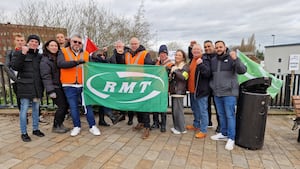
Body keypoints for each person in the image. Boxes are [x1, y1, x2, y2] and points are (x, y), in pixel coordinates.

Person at [57, 34, 101, 137]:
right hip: (69, 84)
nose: (77, 44)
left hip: (83, 84)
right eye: (75, 41)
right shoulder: (63, 51)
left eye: (79, 42)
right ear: (71, 42)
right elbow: (61, 64)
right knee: (73, 107)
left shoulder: (86, 54)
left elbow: (92, 67)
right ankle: (77, 126)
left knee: (87, 106)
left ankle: (92, 126)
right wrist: (77, 62)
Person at [210, 40, 247, 151]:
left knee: (230, 115)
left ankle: (231, 138)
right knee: (221, 115)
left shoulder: (231, 58)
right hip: (217, 93)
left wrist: (236, 59)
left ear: (225, 47)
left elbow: (242, 70)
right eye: (216, 47)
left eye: (220, 47)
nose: (218, 49)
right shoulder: (213, 60)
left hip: (229, 93)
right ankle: (224, 133)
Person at [11, 34, 45, 142]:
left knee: (36, 108)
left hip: (36, 88)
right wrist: (23, 54)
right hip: (25, 87)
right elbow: (15, 67)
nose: (34, 43)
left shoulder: (39, 56)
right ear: (28, 42)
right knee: (24, 109)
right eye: (32, 41)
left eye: (36, 42)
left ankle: (35, 129)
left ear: (38, 44)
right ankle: (24, 133)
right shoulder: (19, 53)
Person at [125, 37, 154, 139]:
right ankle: (140, 122)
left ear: (139, 44)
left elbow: (149, 67)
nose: (133, 45)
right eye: (132, 44)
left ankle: (147, 127)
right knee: (137, 105)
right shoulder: (127, 54)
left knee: (144, 105)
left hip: (142, 83)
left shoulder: (145, 53)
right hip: (131, 84)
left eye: (135, 44)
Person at [40, 39, 70, 133]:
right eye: (52, 45)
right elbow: (46, 76)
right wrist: (50, 91)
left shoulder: (58, 57)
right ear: (47, 47)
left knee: (65, 106)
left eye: (55, 46)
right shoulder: (45, 60)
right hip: (54, 87)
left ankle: (60, 124)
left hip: (61, 85)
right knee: (62, 106)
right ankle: (56, 126)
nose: (54, 47)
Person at [90, 49, 120, 126]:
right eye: (100, 55)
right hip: (97, 84)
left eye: (104, 55)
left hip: (104, 84)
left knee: (102, 103)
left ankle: (102, 120)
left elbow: (110, 64)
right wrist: (101, 58)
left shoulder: (104, 61)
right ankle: (111, 116)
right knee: (104, 100)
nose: (102, 56)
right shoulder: (94, 61)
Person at [186, 44, 211, 138]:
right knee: (195, 109)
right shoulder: (192, 60)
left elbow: (208, 73)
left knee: (203, 111)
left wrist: (200, 65)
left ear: (201, 51)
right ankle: (196, 125)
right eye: (194, 50)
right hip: (192, 90)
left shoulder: (205, 60)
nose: (195, 51)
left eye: (198, 49)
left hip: (201, 90)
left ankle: (203, 130)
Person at [151, 44, 174, 132]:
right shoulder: (156, 63)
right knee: (155, 106)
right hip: (155, 88)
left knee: (163, 107)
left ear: (167, 54)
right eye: (161, 53)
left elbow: (172, 76)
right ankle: (155, 123)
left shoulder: (170, 64)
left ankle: (163, 124)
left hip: (164, 89)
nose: (162, 55)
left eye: (164, 53)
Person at [169, 49, 189, 134]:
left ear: (183, 57)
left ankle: (181, 128)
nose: (177, 56)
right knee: (174, 110)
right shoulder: (174, 66)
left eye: (179, 55)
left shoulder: (185, 66)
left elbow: (185, 77)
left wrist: (175, 71)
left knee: (178, 111)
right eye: (176, 55)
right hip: (174, 91)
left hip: (179, 91)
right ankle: (176, 127)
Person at [4, 34, 26, 110]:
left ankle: (38, 116)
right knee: (19, 98)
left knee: (34, 98)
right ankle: (23, 117)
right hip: (16, 80)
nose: (20, 42)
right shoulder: (10, 52)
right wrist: (15, 79)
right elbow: (6, 66)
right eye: (18, 40)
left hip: (28, 79)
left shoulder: (29, 51)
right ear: (14, 41)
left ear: (25, 41)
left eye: (22, 40)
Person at [203, 40, 220, 132]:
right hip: (207, 85)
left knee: (218, 107)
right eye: (205, 47)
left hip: (217, 85)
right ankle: (208, 122)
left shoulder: (218, 56)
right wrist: (190, 48)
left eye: (209, 46)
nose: (207, 48)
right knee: (207, 106)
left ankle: (220, 125)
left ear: (213, 46)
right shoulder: (204, 57)